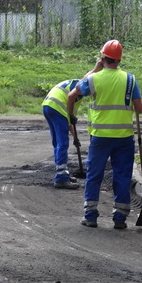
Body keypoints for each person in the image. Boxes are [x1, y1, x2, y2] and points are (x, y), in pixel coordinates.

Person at [67, 40, 142, 229]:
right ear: (119, 60)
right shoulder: (130, 80)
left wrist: (71, 118)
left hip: (100, 137)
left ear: (102, 58)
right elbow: (140, 109)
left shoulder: (94, 79)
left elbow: (72, 95)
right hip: (124, 138)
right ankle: (120, 218)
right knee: (122, 175)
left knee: (94, 175)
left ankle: (91, 215)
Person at [41, 61, 104, 189]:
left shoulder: (74, 84)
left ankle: (62, 172)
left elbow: (70, 120)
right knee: (63, 143)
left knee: (57, 142)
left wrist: (75, 137)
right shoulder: (78, 90)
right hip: (57, 107)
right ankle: (61, 178)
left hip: (48, 106)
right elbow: (70, 117)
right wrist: (96, 69)